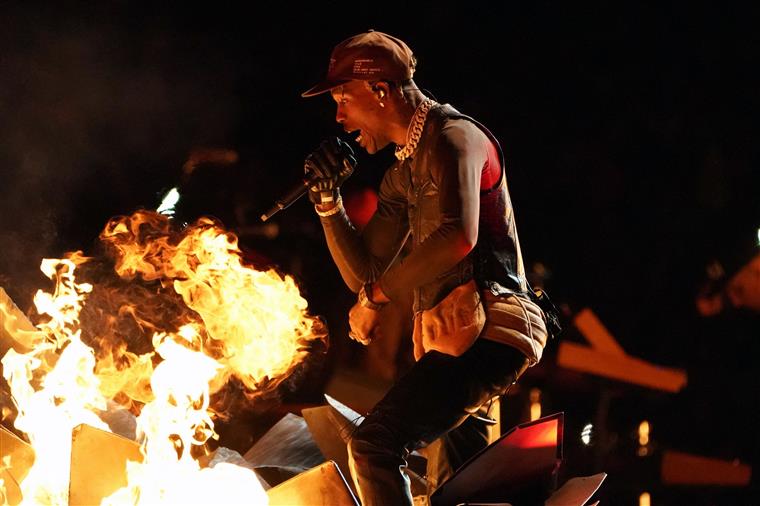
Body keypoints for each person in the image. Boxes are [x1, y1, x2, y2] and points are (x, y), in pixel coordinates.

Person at [300, 30, 549, 505]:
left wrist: (376, 300)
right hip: (455, 341)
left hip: (492, 331)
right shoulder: (402, 172)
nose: (338, 116)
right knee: (461, 492)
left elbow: (458, 236)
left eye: (343, 99)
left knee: (375, 446)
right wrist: (326, 201)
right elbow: (365, 275)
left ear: (380, 90)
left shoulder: (456, 137)